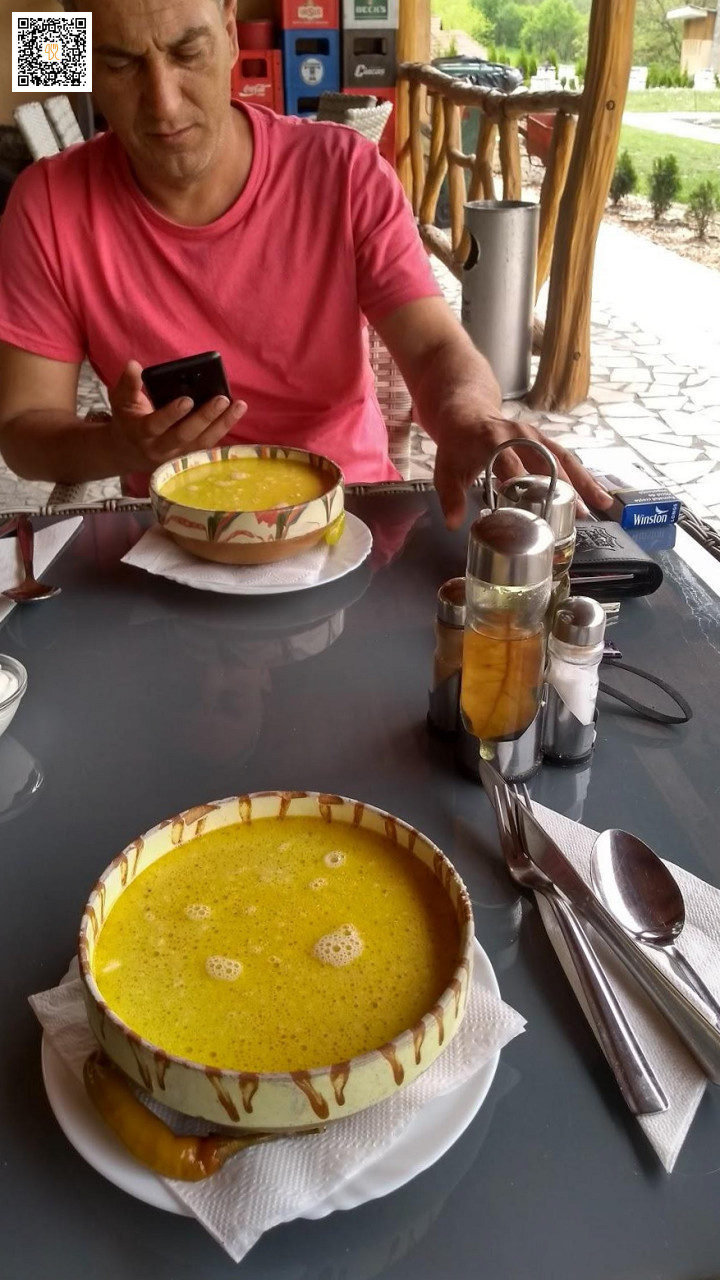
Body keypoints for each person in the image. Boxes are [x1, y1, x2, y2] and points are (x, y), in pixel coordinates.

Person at [0, 0, 611, 527]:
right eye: (120, 64)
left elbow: (432, 348)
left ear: (231, 34)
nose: (162, 103)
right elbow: (24, 430)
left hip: (351, 517)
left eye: (188, 53)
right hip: (179, 532)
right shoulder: (47, 204)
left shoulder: (345, 174)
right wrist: (120, 445)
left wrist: (468, 415)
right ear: (86, 63)